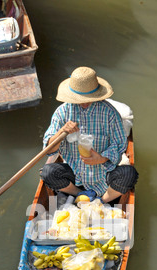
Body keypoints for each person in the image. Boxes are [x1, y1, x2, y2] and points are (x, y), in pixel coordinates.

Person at [41, 66, 138, 203]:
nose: (85, 103)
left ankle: (101, 201)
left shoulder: (109, 113)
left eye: (89, 98)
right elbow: (49, 150)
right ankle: (80, 194)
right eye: (80, 99)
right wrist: (61, 132)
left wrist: (101, 158)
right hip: (75, 174)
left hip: (103, 173)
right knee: (48, 172)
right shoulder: (62, 112)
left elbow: (120, 145)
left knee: (129, 174)